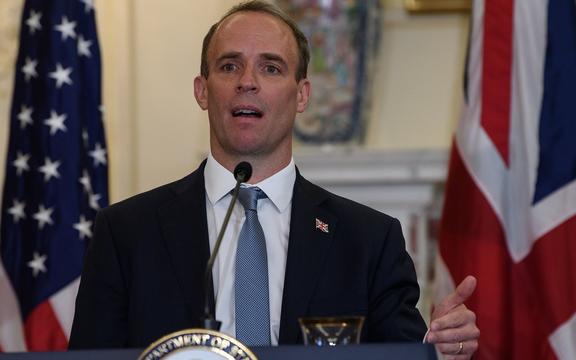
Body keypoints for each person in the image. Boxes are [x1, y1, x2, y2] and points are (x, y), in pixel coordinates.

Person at [69, 1, 479, 357]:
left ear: (302, 95)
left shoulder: (368, 240)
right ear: (202, 91)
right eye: (229, 66)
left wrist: (435, 351)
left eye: (271, 67)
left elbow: (398, 356)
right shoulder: (126, 234)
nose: (247, 81)